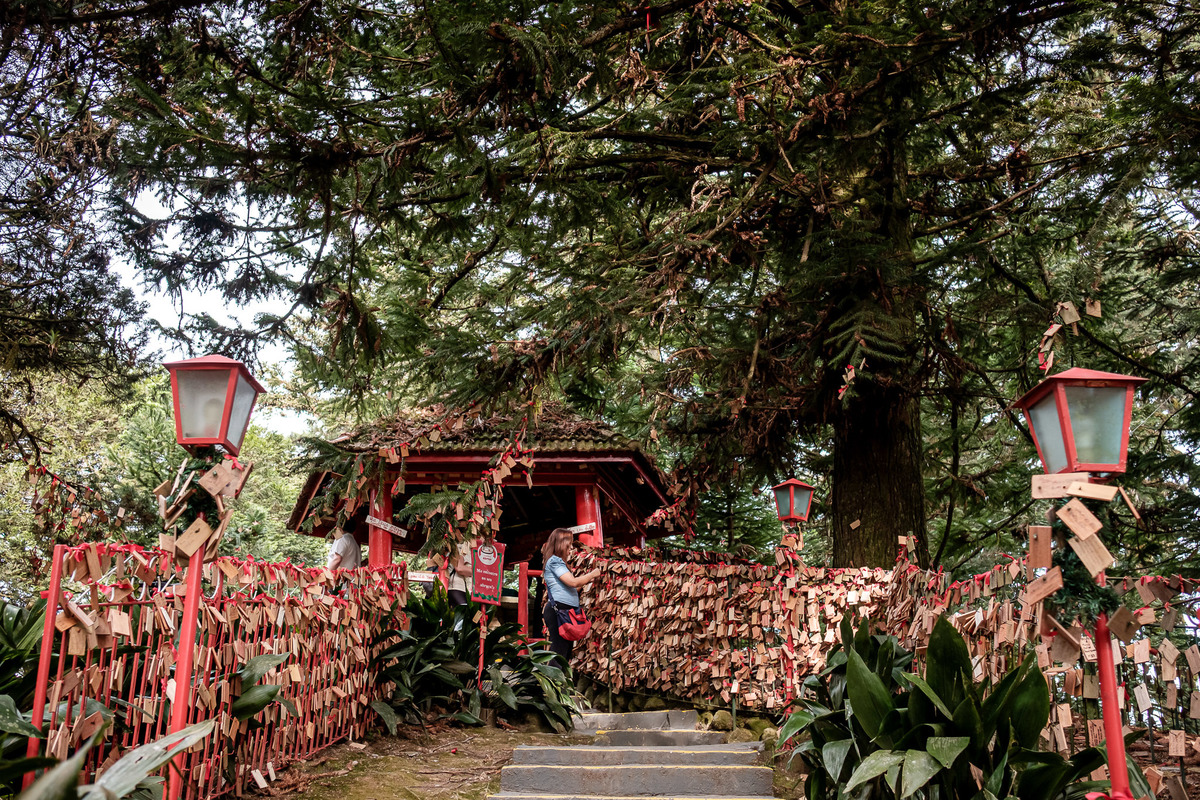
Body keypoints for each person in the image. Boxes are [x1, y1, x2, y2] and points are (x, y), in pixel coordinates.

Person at [541, 527, 601, 668]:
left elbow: (572, 587)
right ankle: (550, 685)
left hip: (565, 610)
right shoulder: (555, 561)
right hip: (559, 610)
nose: (570, 550)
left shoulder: (557, 562)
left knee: (565, 652)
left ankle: (558, 685)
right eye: (569, 546)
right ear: (561, 544)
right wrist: (592, 574)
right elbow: (573, 582)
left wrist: (588, 580)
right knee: (559, 651)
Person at [447, 538, 476, 606]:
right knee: (464, 611)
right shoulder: (463, 547)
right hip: (455, 586)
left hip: (458, 587)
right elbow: (459, 568)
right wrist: (480, 573)